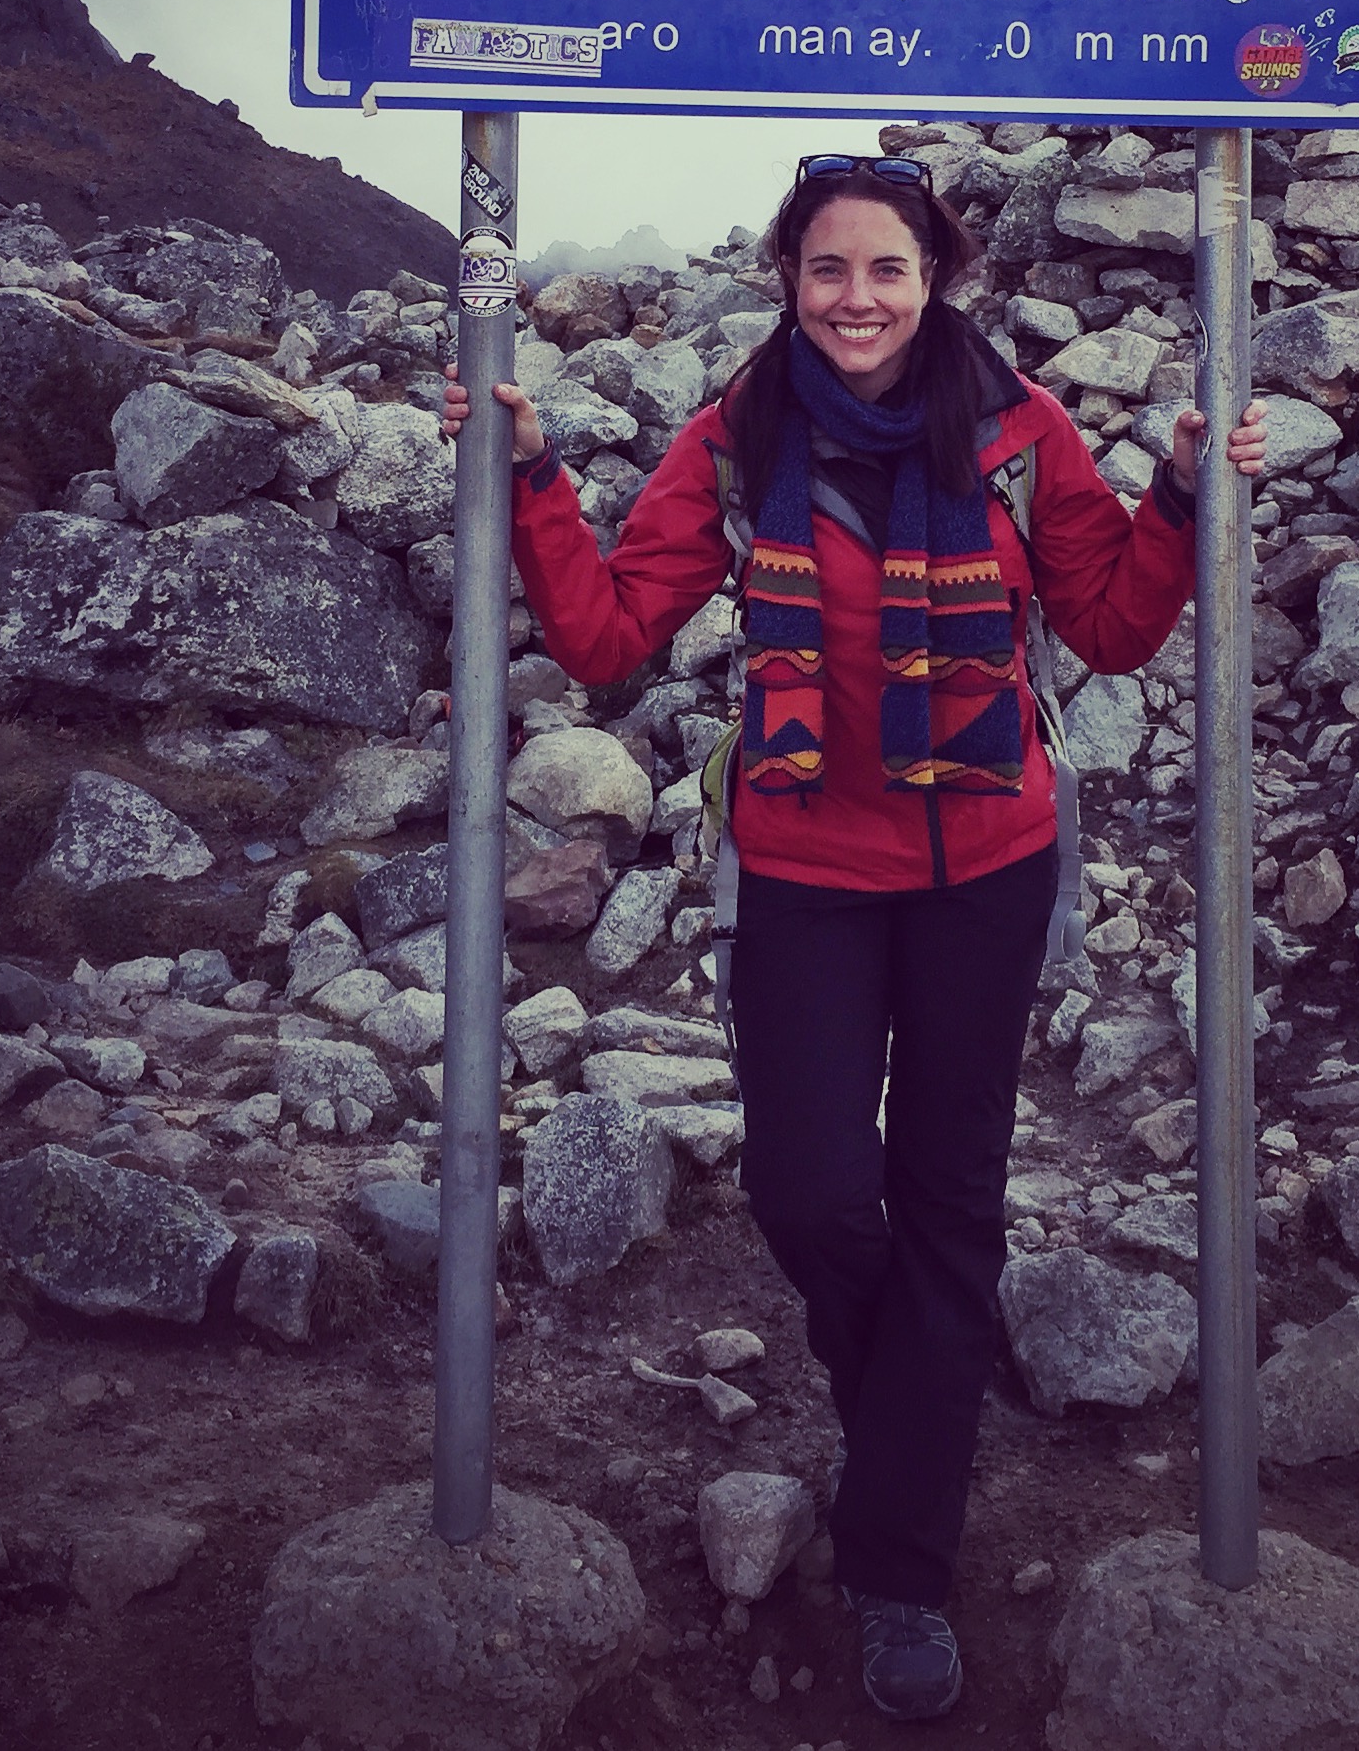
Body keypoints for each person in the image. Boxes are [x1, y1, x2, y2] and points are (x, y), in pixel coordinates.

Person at [441, 151, 1267, 1723]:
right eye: (828, 268)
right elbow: (606, 635)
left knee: (948, 1203)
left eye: (887, 267)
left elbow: (1111, 626)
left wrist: (1177, 491)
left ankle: (899, 1567)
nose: (859, 297)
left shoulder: (1021, 432)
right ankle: (917, 1391)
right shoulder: (738, 436)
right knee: (810, 1188)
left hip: (986, 869)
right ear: (788, 277)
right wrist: (532, 476)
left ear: (935, 274)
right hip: (805, 869)